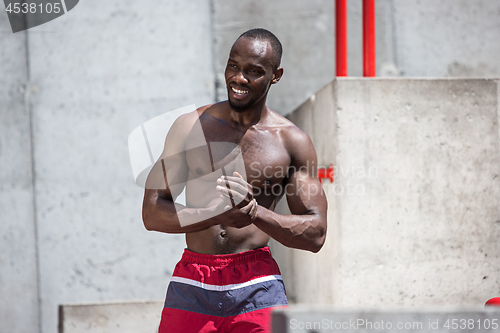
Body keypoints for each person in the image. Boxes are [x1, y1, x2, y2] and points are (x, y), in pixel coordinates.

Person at [142, 28, 327, 333]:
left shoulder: (292, 142)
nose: (239, 78)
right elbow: (151, 212)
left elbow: (316, 234)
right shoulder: (190, 127)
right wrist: (216, 213)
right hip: (194, 280)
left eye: (253, 71)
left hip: (258, 286)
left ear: (275, 75)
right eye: (233, 66)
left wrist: (256, 213)